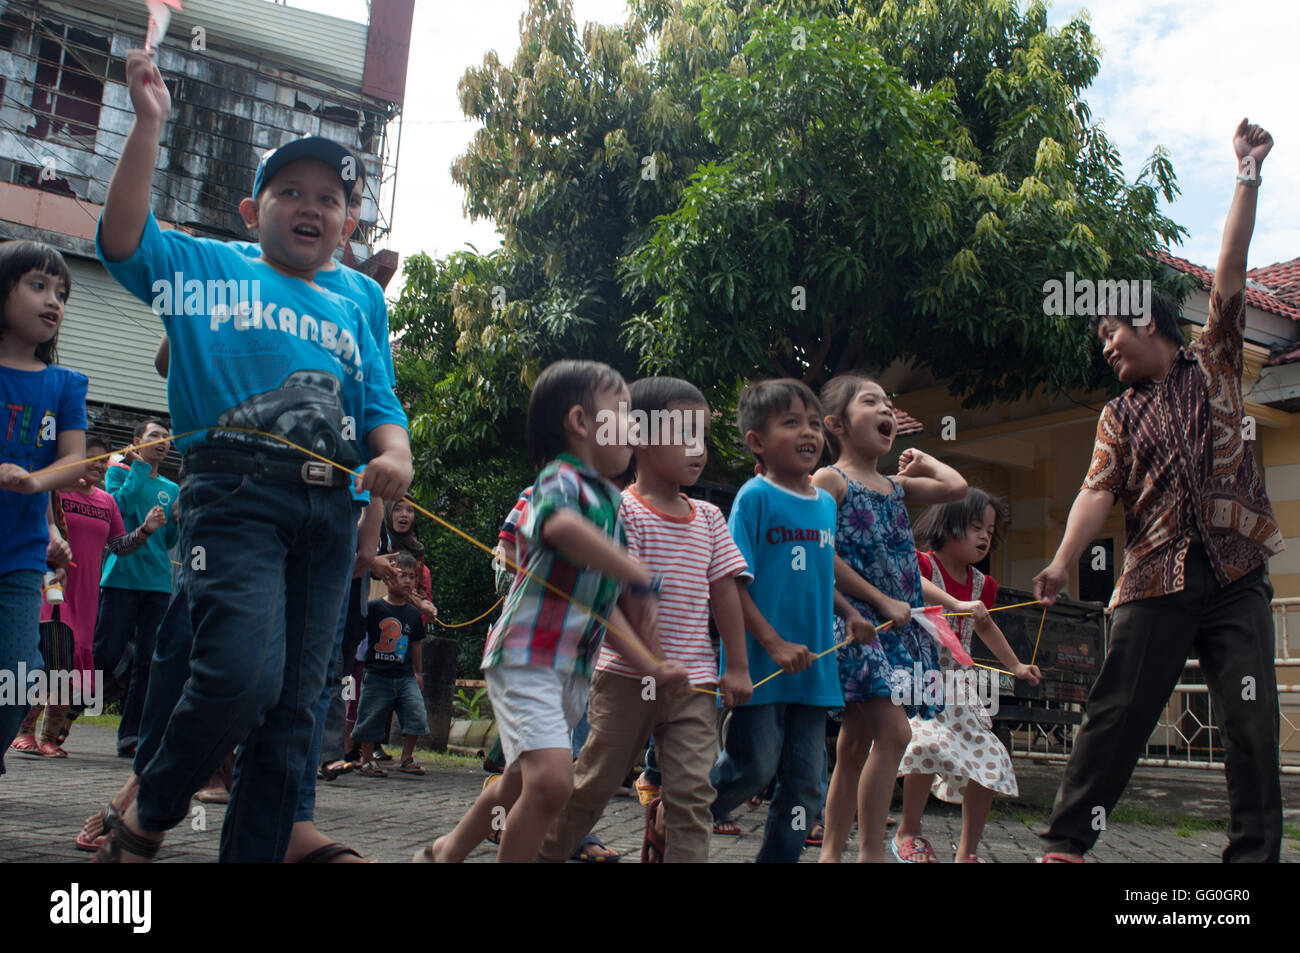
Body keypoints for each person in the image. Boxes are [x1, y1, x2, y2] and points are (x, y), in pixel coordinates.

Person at [92, 49, 410, 863]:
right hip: (233, 496)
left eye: (331, 199)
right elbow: (123, 241)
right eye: (291, 193)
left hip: (330, 510)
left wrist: (395, 458)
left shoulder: (360, 297)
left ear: (347, 225)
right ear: (248, 209)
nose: (312, 207)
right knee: (238, 674)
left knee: (297, 705)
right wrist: (149, 123)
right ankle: (149, 814)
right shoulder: (208, 267)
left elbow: (378, 402)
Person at [1033, 118, 1283, 864]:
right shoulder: (1117, 413)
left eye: (1113, 330)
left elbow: (1231, 271)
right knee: (1119, 712)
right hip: (1153, 579)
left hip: (1237, 575)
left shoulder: (1217, 363)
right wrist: (1059, 561)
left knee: (1251, 719)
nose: (1105, 345)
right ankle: (1067, 844)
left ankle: (1253, 860)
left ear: (1154, 323)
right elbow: (1094, 490)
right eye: (1100, 339)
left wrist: (1246, 174)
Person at [414, 359, 688, 863]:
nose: (634, 427)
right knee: (552, 783)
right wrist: (632, 568)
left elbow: (610, 613)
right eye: (623, 412)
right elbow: (560, 529)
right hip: (527, 658)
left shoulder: (609, 504)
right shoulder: (562, 481)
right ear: (582, 422)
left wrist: (651, 663)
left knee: (517, 784)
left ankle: (443, 853)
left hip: (569, 672)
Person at [539, 377, 754, 863]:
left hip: (694, 683)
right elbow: (607, 600)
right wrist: (651, 661)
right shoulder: (618, 511)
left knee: (694, 796)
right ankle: (544, 852)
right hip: (624, 678)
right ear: (636, 434)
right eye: (684, 433)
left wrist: (736, 666)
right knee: (593, 784)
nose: (698, 449)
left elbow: (726, 591)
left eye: (703, 435)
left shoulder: (709, 518)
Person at [709, 379, 874, 863]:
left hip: (816, 665)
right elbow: (732, 581)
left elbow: (822, 576)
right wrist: (774, 643)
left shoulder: (824, 504)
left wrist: (850, 614)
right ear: (757, 442)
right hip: (763, 662)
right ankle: (680, 813)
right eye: (790, 423)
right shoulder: (754, 497)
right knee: (753, 767)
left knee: (805, 788)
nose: (809, 433)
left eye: (811, 422)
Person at [811, 374, 968, 863]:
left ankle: (832, 853)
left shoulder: (896, 486)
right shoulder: (829, 480)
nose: (886, 410)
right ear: (836, 424)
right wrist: (879, 600)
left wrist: (924, 458)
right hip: (858, 624)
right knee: (895, 734)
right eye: (870, 401)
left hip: (896, 628)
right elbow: (820, 550)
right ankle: (872, 853)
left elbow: (956, 487)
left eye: (888, 403)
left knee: (856, 743)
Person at [896, 488, 1041, 862]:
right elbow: (912, 583)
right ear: (947, 526)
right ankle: (908, 832)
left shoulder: (982, 586)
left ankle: (967, 854)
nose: (984, 537)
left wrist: (1016, 666)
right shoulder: (924, 565)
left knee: (990, 763)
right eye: (976, 527)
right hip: (921, 682)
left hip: (961, 689)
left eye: (990, 531)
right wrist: (956, 604)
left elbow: (987, 628)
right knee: (926, 746)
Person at [18, 435, 162, 758]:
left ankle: (51, 737)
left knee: (71, 669)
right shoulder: (56, 494)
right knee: (56, 660)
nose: (97, 465)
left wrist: (147, 530)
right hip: (54, 589)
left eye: (102, 460)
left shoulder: (105, 501)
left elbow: (118, 546)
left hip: (87, 597)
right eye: (90, 458)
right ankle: (24, 729)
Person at [0, 240, 87, 773]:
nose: (54, 300)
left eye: (62, 292)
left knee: (17, 675)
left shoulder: (65, 384)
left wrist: (33, 484)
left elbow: (75, 461)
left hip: (21, 556)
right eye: (38, 286)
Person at [94, 418, 178, 758]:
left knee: (148, 662)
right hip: (121, 577)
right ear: (136, 440)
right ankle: (65, 712)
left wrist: (175, 518)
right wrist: (139, 469)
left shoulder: (172, 488)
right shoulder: (119, 474)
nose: (162, 441)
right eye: (154, 435)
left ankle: (130, 736)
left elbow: (169, 539)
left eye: (166, 437)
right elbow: (118, 509)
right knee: (105, 654)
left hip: (157, 584)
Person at [352, 553, 430, 777]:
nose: (407, 581)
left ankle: (407, 758)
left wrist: (418, 672)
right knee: (370, 716)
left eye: (412, 577)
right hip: (376, 673)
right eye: (401, 575)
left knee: (416, 714)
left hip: (405, 676)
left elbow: (416, 644)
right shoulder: (374, 608)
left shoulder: (414, 614)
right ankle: (367, 761)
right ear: (387, 579)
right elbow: (360, 635)